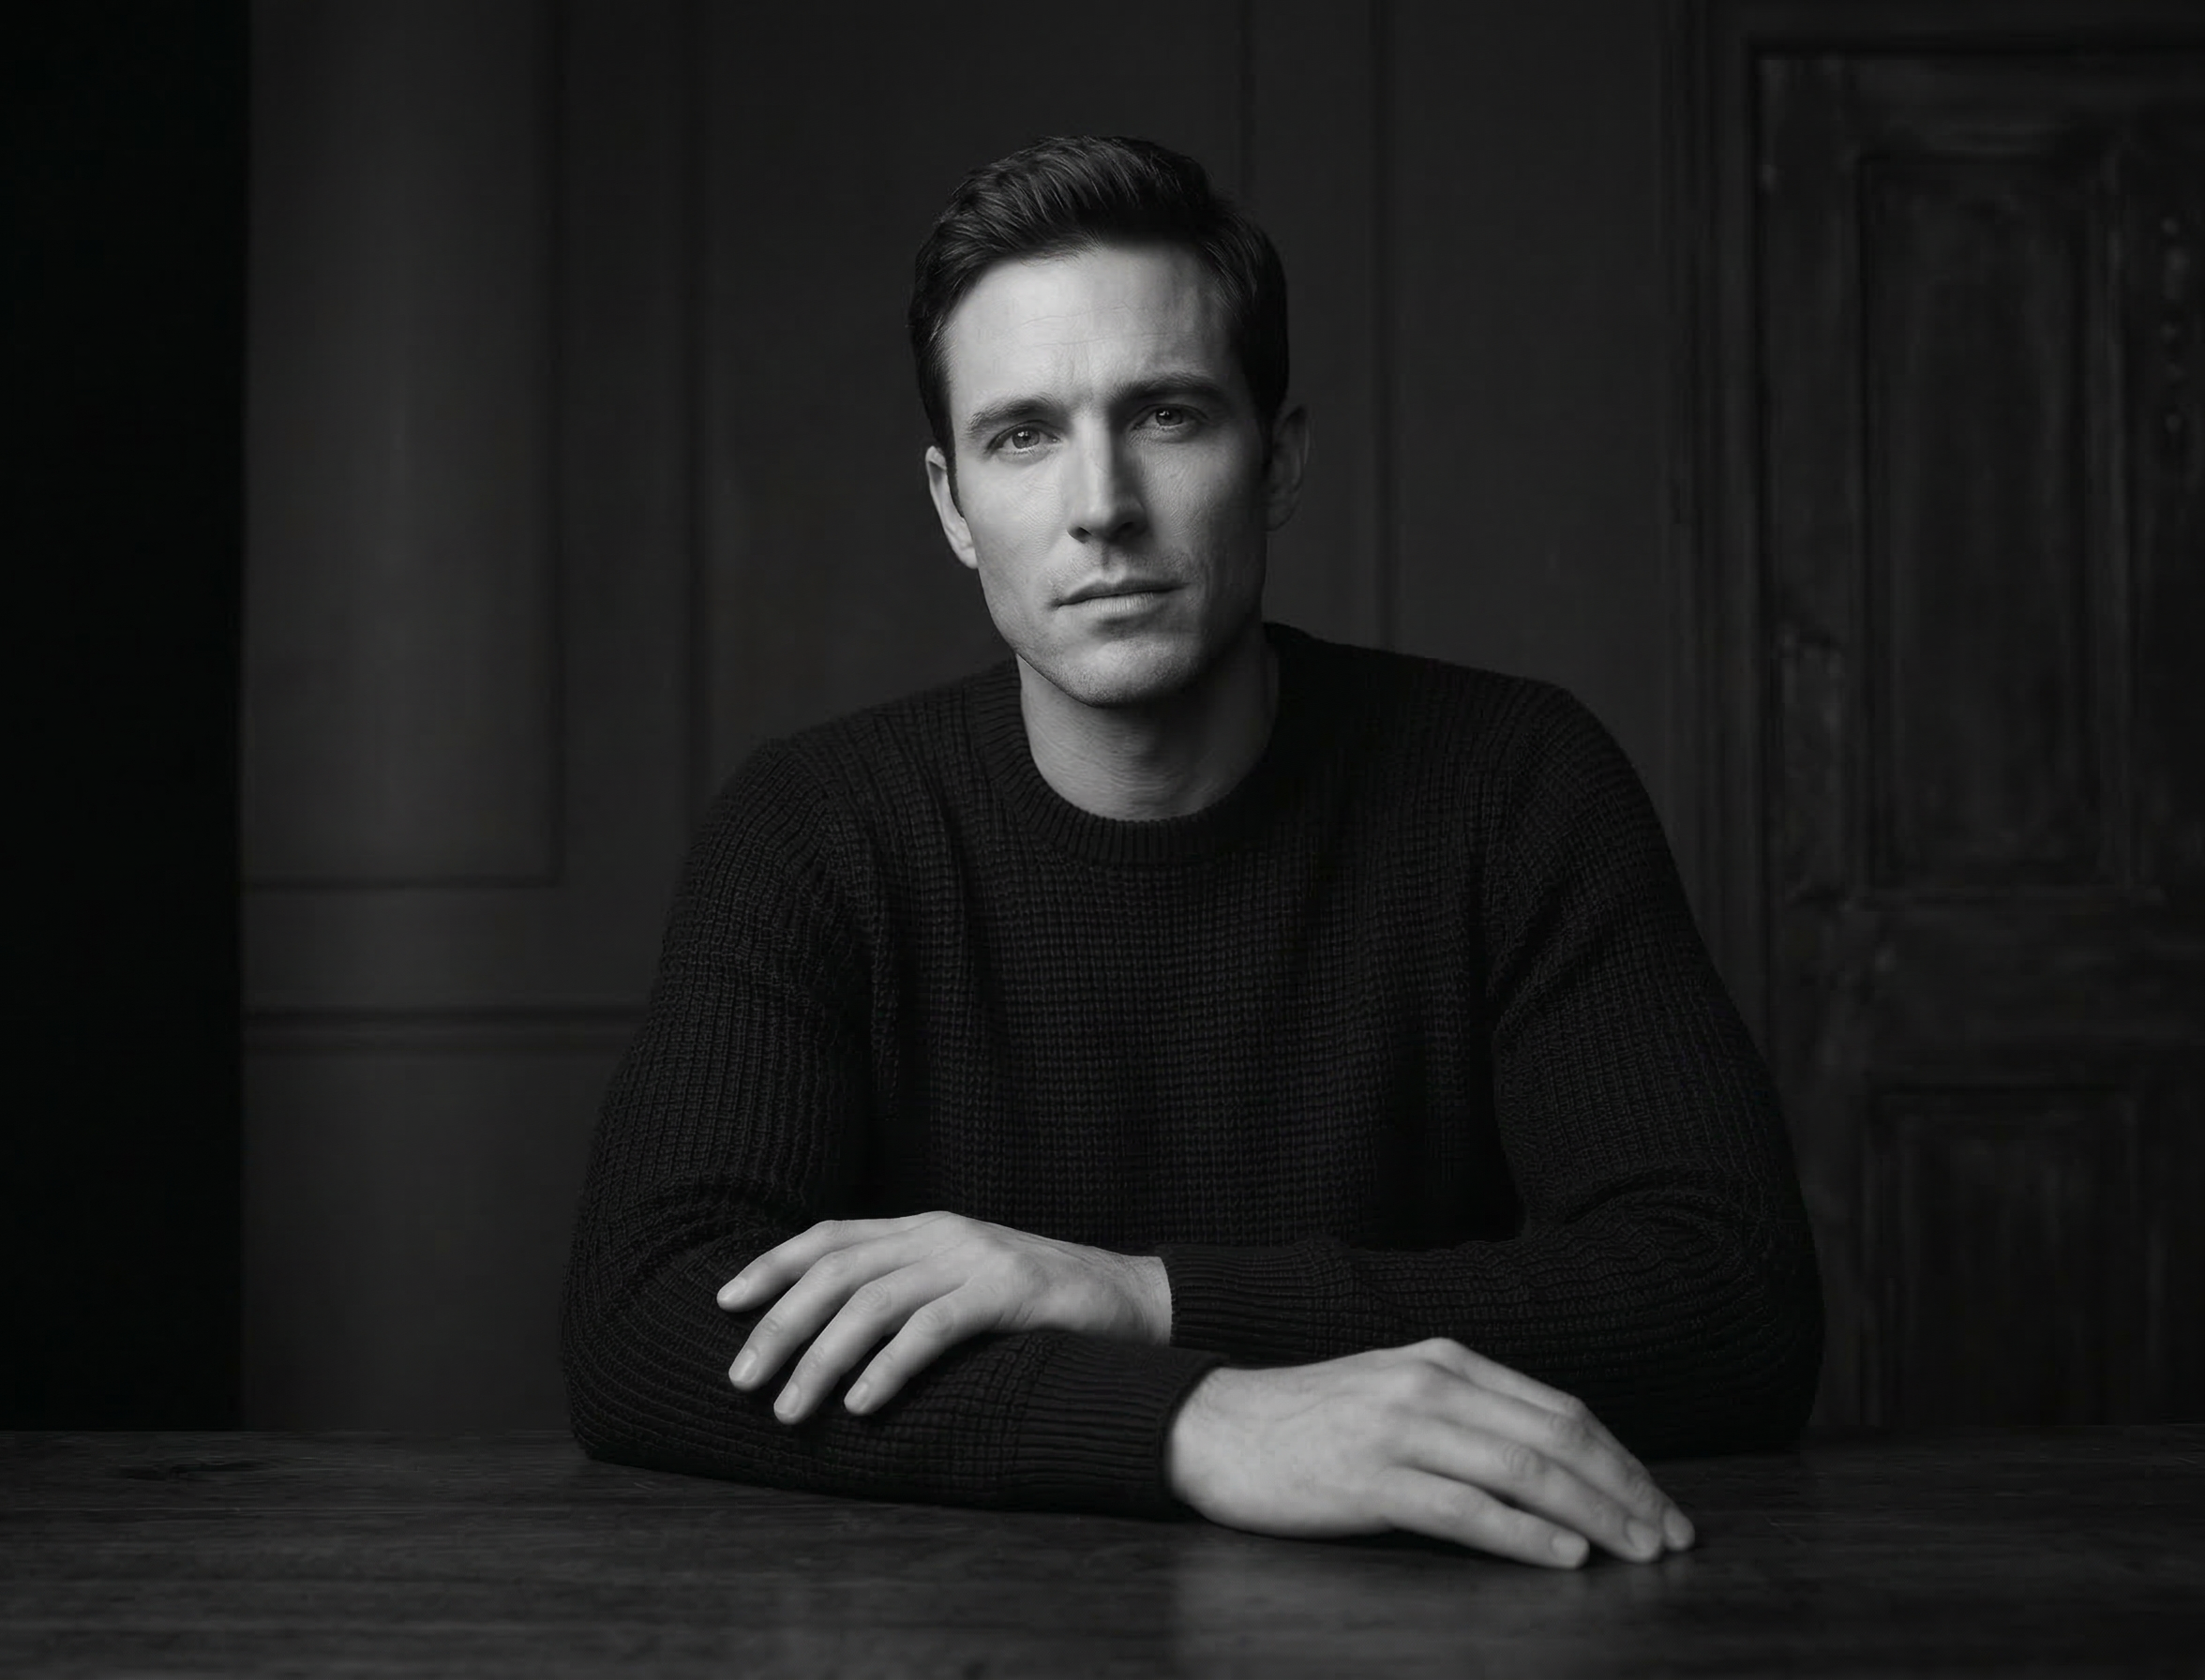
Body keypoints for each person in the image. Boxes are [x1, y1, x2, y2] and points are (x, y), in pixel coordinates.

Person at [560, 135, 1822, 1570]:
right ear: (951, 506)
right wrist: (1190, 1421)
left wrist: (1143, 1298)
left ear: (1277, 457)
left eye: (1164, 414)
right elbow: (647, 1322)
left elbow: (1732, 1300)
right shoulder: (815, 828)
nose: (1101, 503)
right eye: (1022, 435)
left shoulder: (1515, 786)